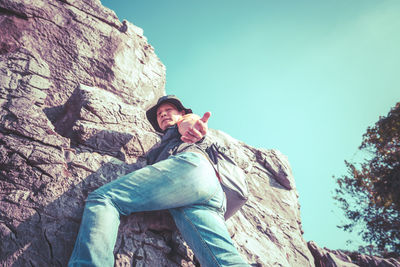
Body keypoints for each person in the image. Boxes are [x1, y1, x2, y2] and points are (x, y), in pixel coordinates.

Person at [68, 95, 250, 267]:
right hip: (208, 195)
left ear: (182, 113)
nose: (162, 114)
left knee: (103, 199)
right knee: (223, 260)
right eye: (159, 113)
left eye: (169, 109)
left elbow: (191, 123)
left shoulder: (182, 124)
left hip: (192, 171)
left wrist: (194, 128)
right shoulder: (165, 139)